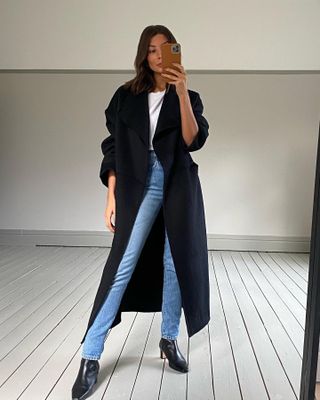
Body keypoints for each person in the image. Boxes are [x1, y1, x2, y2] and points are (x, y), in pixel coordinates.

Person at [72, 24, 210, 400]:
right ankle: (90, 355)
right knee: (121, 266)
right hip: (137, 181)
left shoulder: (189, 95)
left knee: (174, 264)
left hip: (178, 184)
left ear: (175, 53)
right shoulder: (125, 97)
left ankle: (168, 339)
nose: (158, 55)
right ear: (143, 55)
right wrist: (111, 196)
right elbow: (113, 146)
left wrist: (181, 92)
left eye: (166, 49)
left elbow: (190, 139)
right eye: (152, 49)